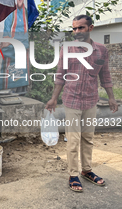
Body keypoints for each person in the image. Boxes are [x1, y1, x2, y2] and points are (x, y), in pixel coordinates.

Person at [45, 15, 118, 192]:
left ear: (90, 28)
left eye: (81, 28)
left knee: (88, 138)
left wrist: (111, 97)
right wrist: (54, 98)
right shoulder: (67, 49)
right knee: (73, 140)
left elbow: (105, 75)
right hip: (72, 100)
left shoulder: (101, 50)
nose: (76, 32)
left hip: (91, 100)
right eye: (74, 28)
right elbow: (60, 75)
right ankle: (73, 174)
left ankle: (86, 170)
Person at [0, 0, 29, 91]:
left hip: (22, 56)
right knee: (8, 88)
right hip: (11, 56)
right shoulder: (10, 12)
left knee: (22, 87)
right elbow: (5, 41)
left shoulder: (26, 12)